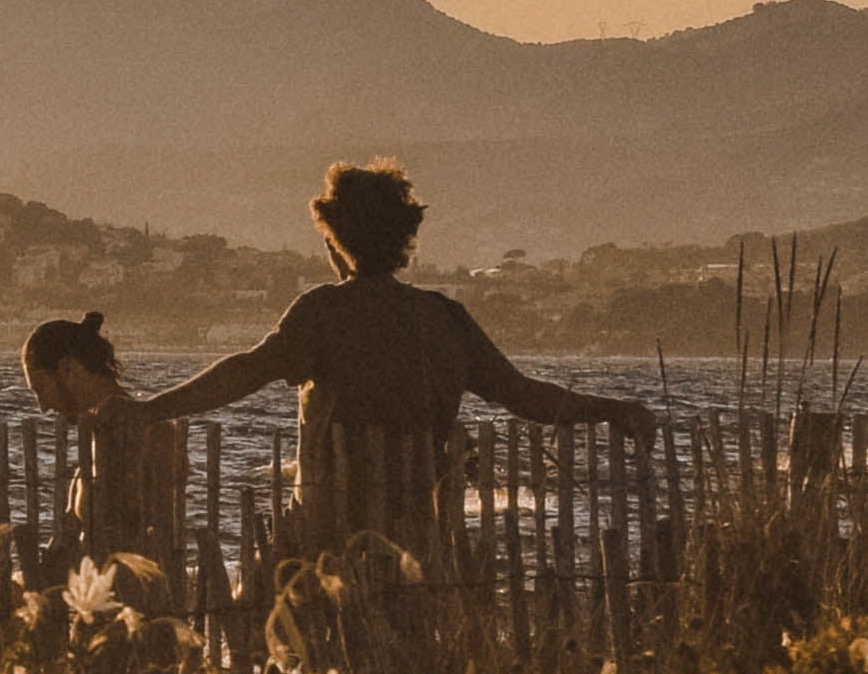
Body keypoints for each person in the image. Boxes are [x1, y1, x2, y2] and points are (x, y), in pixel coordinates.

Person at [141, 160, 650, 546]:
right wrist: (613, 408)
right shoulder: (443, 319)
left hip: (327, 533)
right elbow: (526, 397)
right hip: (420, 534)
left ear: (334, 239)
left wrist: (149, 409)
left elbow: (243, 373)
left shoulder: (322, 313)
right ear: (406, 238)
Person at [19, 310, 186, 571]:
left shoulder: (153, 435)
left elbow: (158, 536)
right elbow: (68, 543)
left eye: (41, 388)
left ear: (67, 368)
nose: (43, 406)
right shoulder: (93, 442)